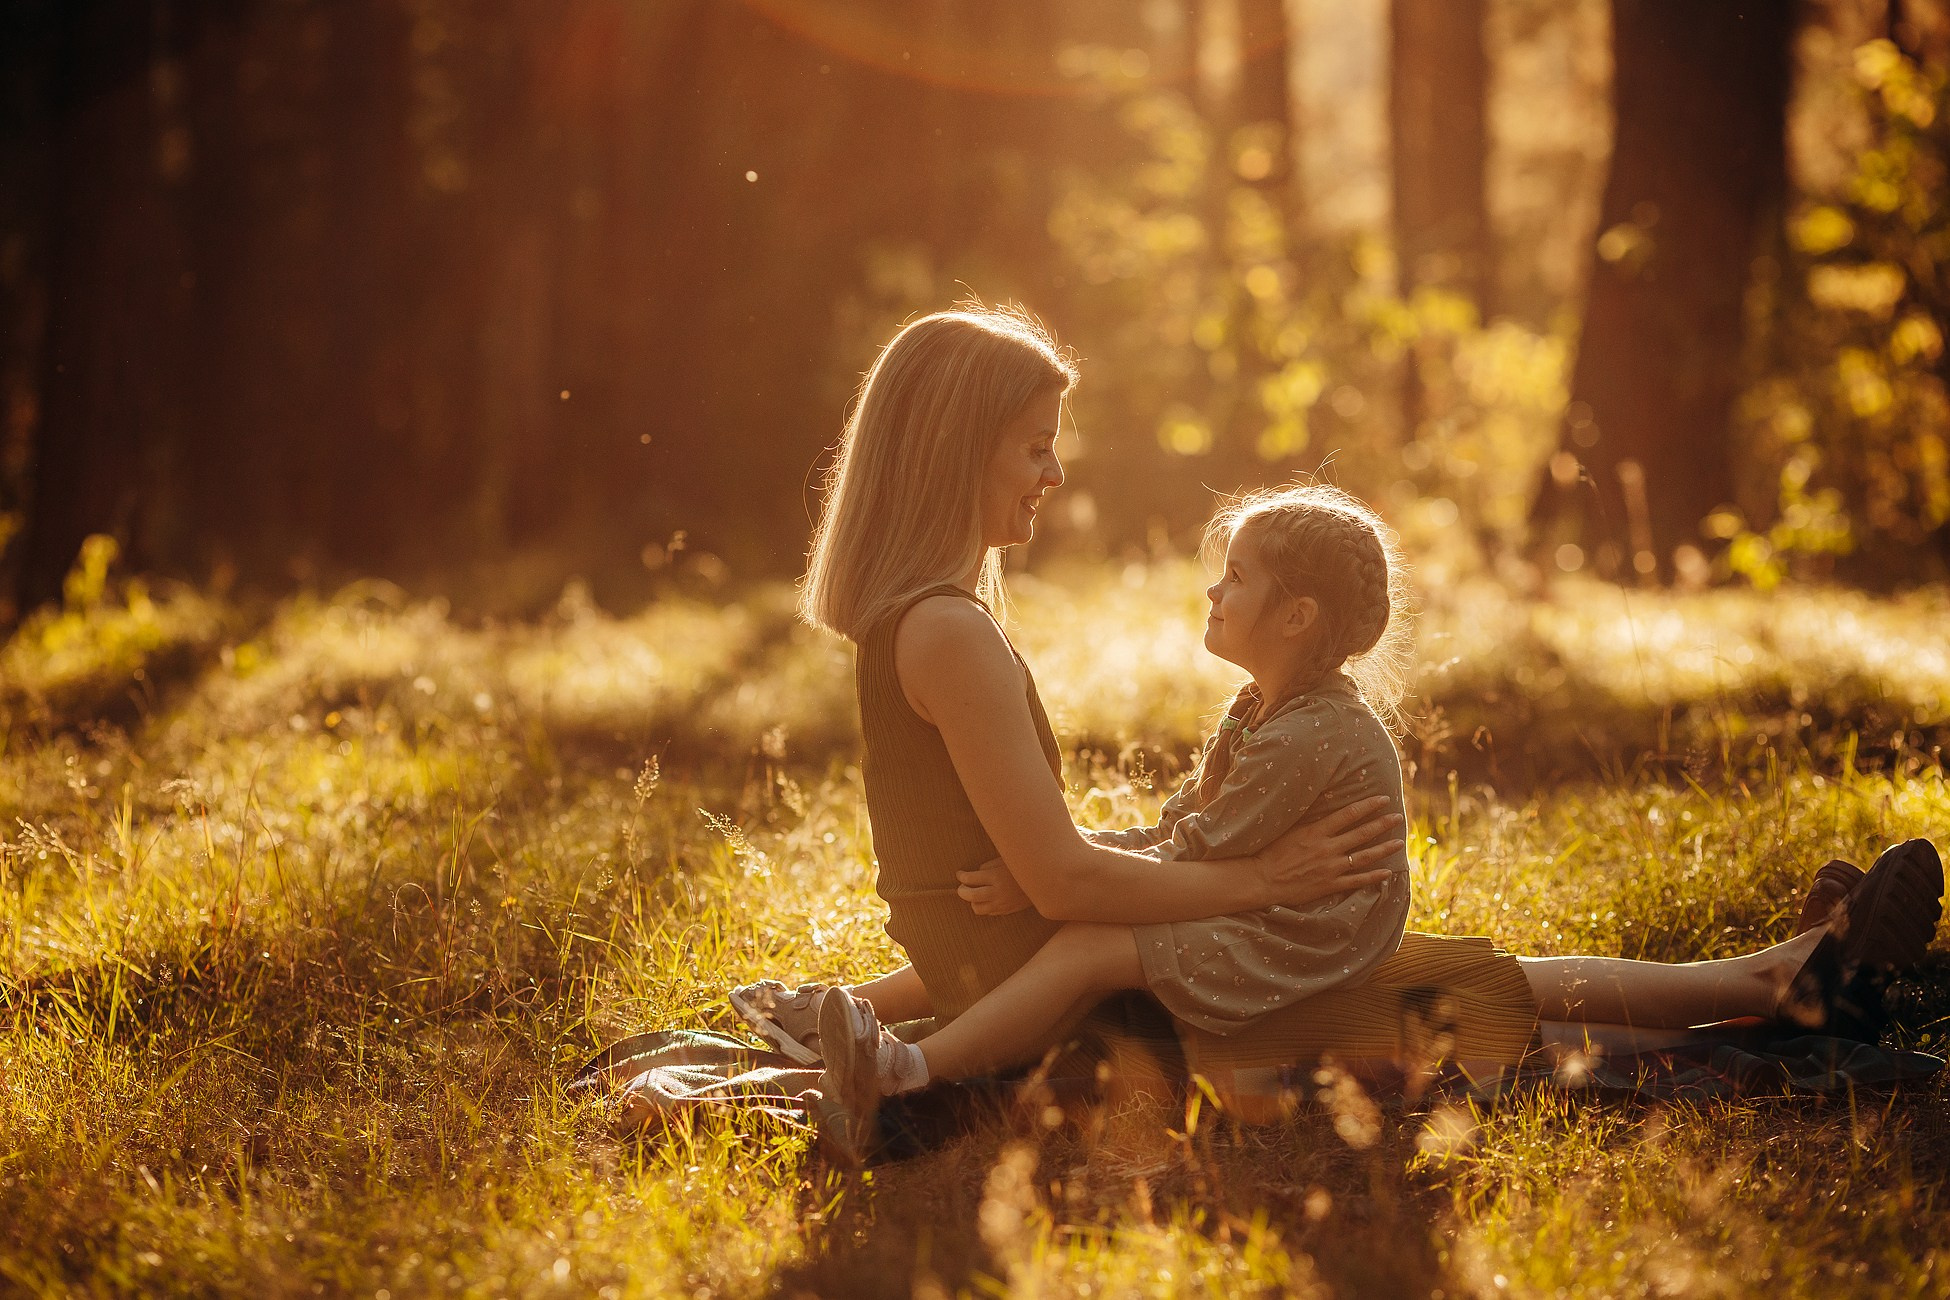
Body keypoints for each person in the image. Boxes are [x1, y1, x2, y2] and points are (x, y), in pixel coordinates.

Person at [741, 302, 1942, 1159]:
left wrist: (865, 992)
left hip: (1021, 976)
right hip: (1075, 1001)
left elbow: (1002, 881)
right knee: (1463, 992)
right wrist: (1268, 874)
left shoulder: (926, 619)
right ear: (960, 447)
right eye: (1034, 444)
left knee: (1460, 974)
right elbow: (1055, 877)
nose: (1054, 471)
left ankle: (1771, 976)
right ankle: (1777, 985)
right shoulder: (947, 630)